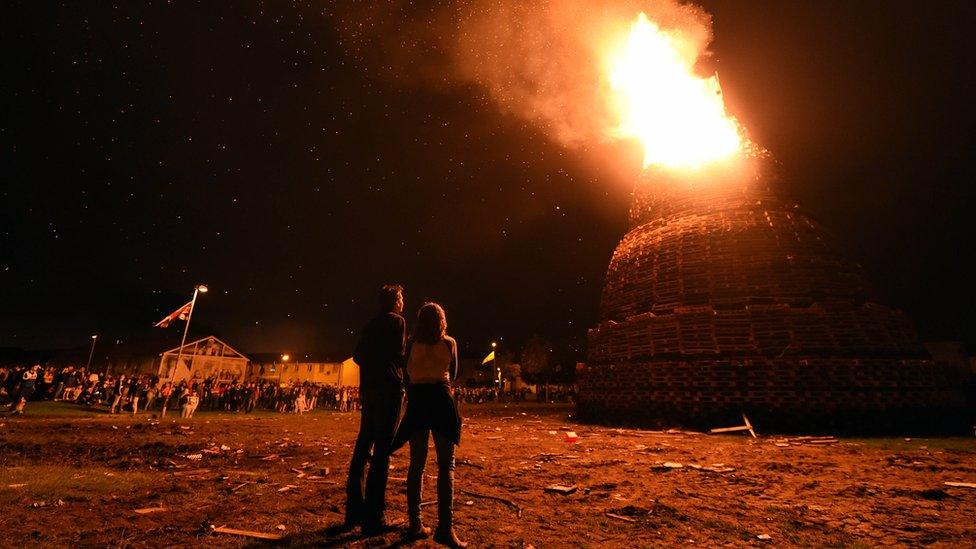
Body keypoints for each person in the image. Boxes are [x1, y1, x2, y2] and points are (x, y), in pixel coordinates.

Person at [392, 303, 465, 547]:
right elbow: (453, 374)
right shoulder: (449, 342)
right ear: (442, 321)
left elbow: (406, 374)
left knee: (417, 463)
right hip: (441, 400)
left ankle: (415, 523)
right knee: (446, 465)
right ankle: (445, 527)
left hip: (418, 401)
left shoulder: (411, 343)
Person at [344, 284, 407, 535]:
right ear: (394, 301)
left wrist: (372, 364)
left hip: (369, 389)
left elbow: (358, 356)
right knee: (383, 449)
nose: (403, 302)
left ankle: (354, 509)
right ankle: (374, 515)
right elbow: (400, 353)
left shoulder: (370, 325)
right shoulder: (397, 322)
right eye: (401, 298)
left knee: (363, 444)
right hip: (388, 388)